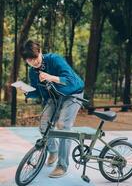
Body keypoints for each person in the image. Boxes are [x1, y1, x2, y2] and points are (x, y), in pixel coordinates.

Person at [21, 40, 84, 178]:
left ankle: (62, 166)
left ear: (40, 52)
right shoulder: (33, 72)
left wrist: (50, 77)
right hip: (54, 97)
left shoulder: (54, 59)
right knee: (44, 126)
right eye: (30, 60)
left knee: (63, 127)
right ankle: (53, 151)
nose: (34, 62)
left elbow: (70, 80)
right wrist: (27, 91)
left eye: (35, 58)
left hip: (73, 93)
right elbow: (38, 91)